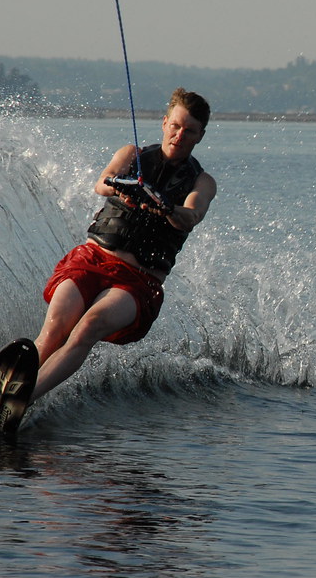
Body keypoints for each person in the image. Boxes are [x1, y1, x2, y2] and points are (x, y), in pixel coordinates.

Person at [29, 87, 216, 403]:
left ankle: (28, 397)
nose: (180, 135)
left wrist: (167, 207)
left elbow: (192, 215)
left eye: (190, 131)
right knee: (55, 329)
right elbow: (103, 182)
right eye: (176, 126)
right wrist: (120, 188)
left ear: (200, 136)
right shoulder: (132, 155)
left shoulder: (202, 182)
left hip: (137, 284)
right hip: (92, 259)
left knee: (88, 326)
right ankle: (11, 382)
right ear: (165, 122)